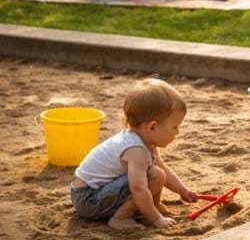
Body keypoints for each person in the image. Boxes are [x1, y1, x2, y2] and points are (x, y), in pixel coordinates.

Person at [70, 79, 197, 230]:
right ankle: (120, 218)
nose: (177, 132)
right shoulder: (136, 150)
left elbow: (165, 171)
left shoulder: (143, 141)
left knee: (158, 173)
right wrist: (157, 220)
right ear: (152, 126)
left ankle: (152, 206)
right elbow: (138, 189)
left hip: (91, 193)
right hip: (89, 199)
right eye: (175, 127)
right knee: (153, 175)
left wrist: (183, 190)